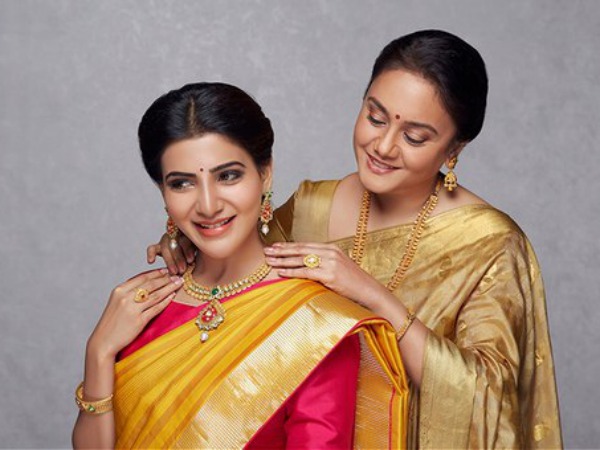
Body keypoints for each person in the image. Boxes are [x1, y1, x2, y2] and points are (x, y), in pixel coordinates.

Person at [153, 31, 563, 449]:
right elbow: (245, 286)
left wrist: (373, 297)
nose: (383, 146)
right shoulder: (312, 206)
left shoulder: (490, 243)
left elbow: (490, 402)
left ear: (454, 148)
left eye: (414, 137)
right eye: (375, 117)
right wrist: (192, 245)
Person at [72, 82, 408, 449]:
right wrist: (99, 353)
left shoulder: (314, 323)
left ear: (265, 173)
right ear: (163, 193)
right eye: (182, 183)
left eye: (228, 176)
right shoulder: (141, 304)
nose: (208, 205)